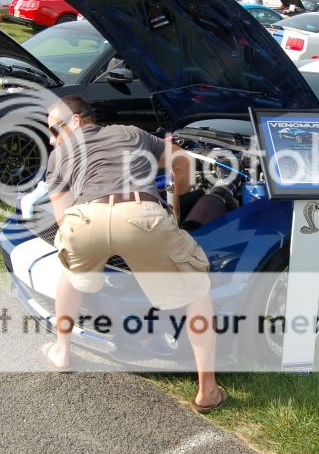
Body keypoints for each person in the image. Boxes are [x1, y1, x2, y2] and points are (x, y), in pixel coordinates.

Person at [41, 95, 227, 413]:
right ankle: (207, 390)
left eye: (54, 130)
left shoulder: (58, 157)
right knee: (197, 289)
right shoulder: (131, 133)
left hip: (85, 217)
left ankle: (62, 351)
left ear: (75, 120)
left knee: (70, 274)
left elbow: (62, 219)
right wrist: (180, 194)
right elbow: (182, 161)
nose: (52, 139)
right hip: (142, 215)